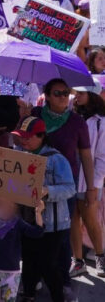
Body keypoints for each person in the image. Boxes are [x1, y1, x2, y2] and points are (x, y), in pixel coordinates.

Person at [31, 78, 96, 290]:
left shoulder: (76, 121)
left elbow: (86, 155)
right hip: (34, 185)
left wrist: (91, 188)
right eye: (57, 93)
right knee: (35, 231)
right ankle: (36, 277)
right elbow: (22, 142)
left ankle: (62, 282)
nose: (62, 97)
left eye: (65, 93)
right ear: (47, 96)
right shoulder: (35, 115)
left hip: (65, 187)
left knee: (61, 233)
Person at [12, 116, 76, 302]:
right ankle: (29, 295)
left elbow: (70, 188)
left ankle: (58, 297)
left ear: (41, 136)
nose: (23, 140)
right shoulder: (18, 155)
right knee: (29, 261)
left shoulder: (57, 159)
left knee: (48, 264)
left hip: (52, 224)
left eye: (28, 137)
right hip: (27, 221)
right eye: (21, 136)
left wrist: (47, 191)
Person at [71, 77, 105, 277]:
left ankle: (100, 257)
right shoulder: (72, 114)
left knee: (90, 219)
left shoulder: (101, 122)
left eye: (81, 93)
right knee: (73, 219)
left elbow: (102, 157)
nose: (77, 96)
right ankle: (78, 261)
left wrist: (94, 186)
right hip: (71, 177)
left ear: (91, 95)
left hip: (89, 181)